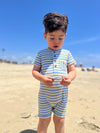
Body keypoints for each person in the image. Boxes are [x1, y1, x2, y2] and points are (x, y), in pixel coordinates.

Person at [32, 12, 76, 133]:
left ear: (65, 36)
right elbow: (35, 71)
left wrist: (70, 78)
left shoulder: (67, 54)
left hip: (62, 96)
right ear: (45, 36)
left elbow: (72, 70)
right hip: (45, 97)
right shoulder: (41, 54)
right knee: (43, 121)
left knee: (60, 120)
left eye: (60, 38)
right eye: (52, 38)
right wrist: (42, 78)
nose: (56, 41)